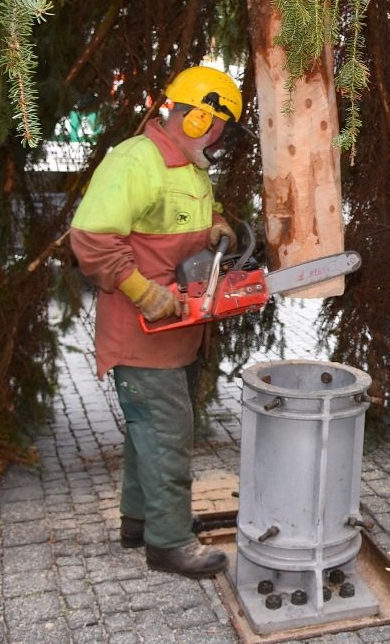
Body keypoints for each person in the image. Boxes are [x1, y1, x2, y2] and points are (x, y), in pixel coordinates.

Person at [70, 65, 247, 579]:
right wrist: (144, 292)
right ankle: (168, 542)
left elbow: (194, 219)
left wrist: (220, 231)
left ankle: (140, 520)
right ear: (195, 120)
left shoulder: (190, 168)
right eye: (218, 127)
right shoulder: (135, 160)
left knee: (149, 433)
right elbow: (91, 240)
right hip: (142, 332)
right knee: (167, 435)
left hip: (180, 332)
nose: (219, 140)